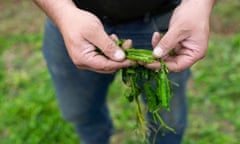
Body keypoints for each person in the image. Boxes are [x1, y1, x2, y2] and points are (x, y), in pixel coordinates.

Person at [33, 0, 215, 144]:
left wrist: (198, 3)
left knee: (169, 118)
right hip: (73, 19)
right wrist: (63, 13)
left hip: (165, 22)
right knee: (78, 111)